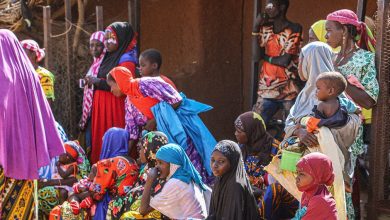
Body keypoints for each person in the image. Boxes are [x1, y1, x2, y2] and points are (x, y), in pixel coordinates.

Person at [284, 41, 361, 219]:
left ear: (310, 60)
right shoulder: (306, 95)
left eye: (302, 58)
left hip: (331, 171)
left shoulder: (336, 99)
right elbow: (292, 125)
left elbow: (351, 136)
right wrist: (299, 131)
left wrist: (322, 133)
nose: (299, 63)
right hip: (304, 174)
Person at [107, 66, 216, 184]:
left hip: (177, 131)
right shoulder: (129, 102)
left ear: (119, 81)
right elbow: (132, 132)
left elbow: (176, 100)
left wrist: (155, 120)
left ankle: (198, 192)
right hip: (159, 144)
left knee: (189, 162)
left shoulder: (146, 84)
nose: (111, 90)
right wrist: (123, 157)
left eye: (111, 86)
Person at [0, 29, 64, 219]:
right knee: (22, 206)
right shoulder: (30, 76)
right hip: (26, 156)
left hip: (4, 157)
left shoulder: (4, 76)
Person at [326, 9, 379, 219]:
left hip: (350, 133)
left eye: (330, 30)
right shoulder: (330, 58)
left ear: (345, 31)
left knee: (346, 183)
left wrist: (342, 80)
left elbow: (369, 100)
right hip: (326, 129)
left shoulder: (365, 59)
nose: (327, 35)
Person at [87, 22, 138, 164]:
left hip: (115, 106)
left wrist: (98, 82)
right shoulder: (108, 57)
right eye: (107, 38)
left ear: (121, 38)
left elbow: (123, 88)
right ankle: (101, 173)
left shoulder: (126, 60)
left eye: (112, 38)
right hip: (102, 105)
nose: (107, 42)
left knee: (115, 138)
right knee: (101, 138)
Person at [234, 111, 299, 219]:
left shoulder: (277, 150)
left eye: (239, 131)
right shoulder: (240, 149)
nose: (235, 133)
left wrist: (260, 189)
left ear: (252, 132)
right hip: (253, 195)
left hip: (276, 200)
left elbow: (287, 183)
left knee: (273, 190)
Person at [252, 0, 303, 125]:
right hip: (266, 89)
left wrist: (267, 57)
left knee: (291, 129)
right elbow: (256, 56)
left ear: (282, 7)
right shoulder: (265, 28)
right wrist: (255, 28)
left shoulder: (294, 28)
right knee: (256, 127)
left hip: (288, 89)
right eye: (266, 6)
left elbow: (285, 61)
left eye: (271, 6)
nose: (267, 9)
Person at [110, 131, 169, 219]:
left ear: (149, 150)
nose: (139, 151)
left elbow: (143, 209)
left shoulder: (159, 173)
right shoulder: (147, 168)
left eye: (142, 148)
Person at [208, 140, 260, 220]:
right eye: (213, 160)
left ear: (233, 162)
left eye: (221, 161)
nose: (214, 165)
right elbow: (213, 215)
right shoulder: (220, 178)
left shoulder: (236, 187)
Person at [38, 141, 90, 216]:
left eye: (62, 152)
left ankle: (63, 210)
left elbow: (69, 177)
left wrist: (51, 181)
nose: (59, 154)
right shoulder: (61, 162)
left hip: (71, 190)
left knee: (62, 193)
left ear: (68, 157)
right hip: (60, 186)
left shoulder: (73, 166)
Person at [79, 31, 106, 155]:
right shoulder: (95, 64)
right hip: (89, 110)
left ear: (105, 45)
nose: (94, 48)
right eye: (91, 45)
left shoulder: (104, 64)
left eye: (98, 45)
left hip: (99, 108)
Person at [293, 152, 337, 220]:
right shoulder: (307, 194)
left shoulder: (320, 201)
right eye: (297, 172)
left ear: (317, 177)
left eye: (301, 174)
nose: (297, 178)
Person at [20, 39, 56, 106]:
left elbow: (46, 103)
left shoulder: (44, 75)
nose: (20, 56)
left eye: (23, 53)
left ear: (33, 54)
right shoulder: (21, 73)